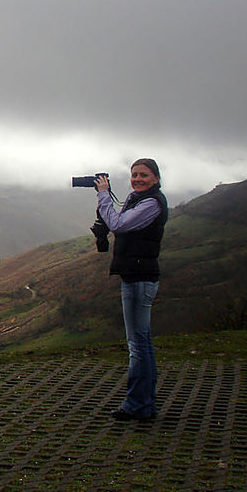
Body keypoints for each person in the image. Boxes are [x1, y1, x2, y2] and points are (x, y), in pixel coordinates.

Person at [94, 158, 168, 422]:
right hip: (135, 275)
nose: (137, 179)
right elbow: (118, 219)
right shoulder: (138, 199)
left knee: (138, 345)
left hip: (140, 279)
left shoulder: (151, 203)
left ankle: (138, 405)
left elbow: (118, 224)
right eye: (134, 174)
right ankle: (143, 403)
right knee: (141, 342)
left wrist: (104, 195)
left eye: (143, 175)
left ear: (156, 178)